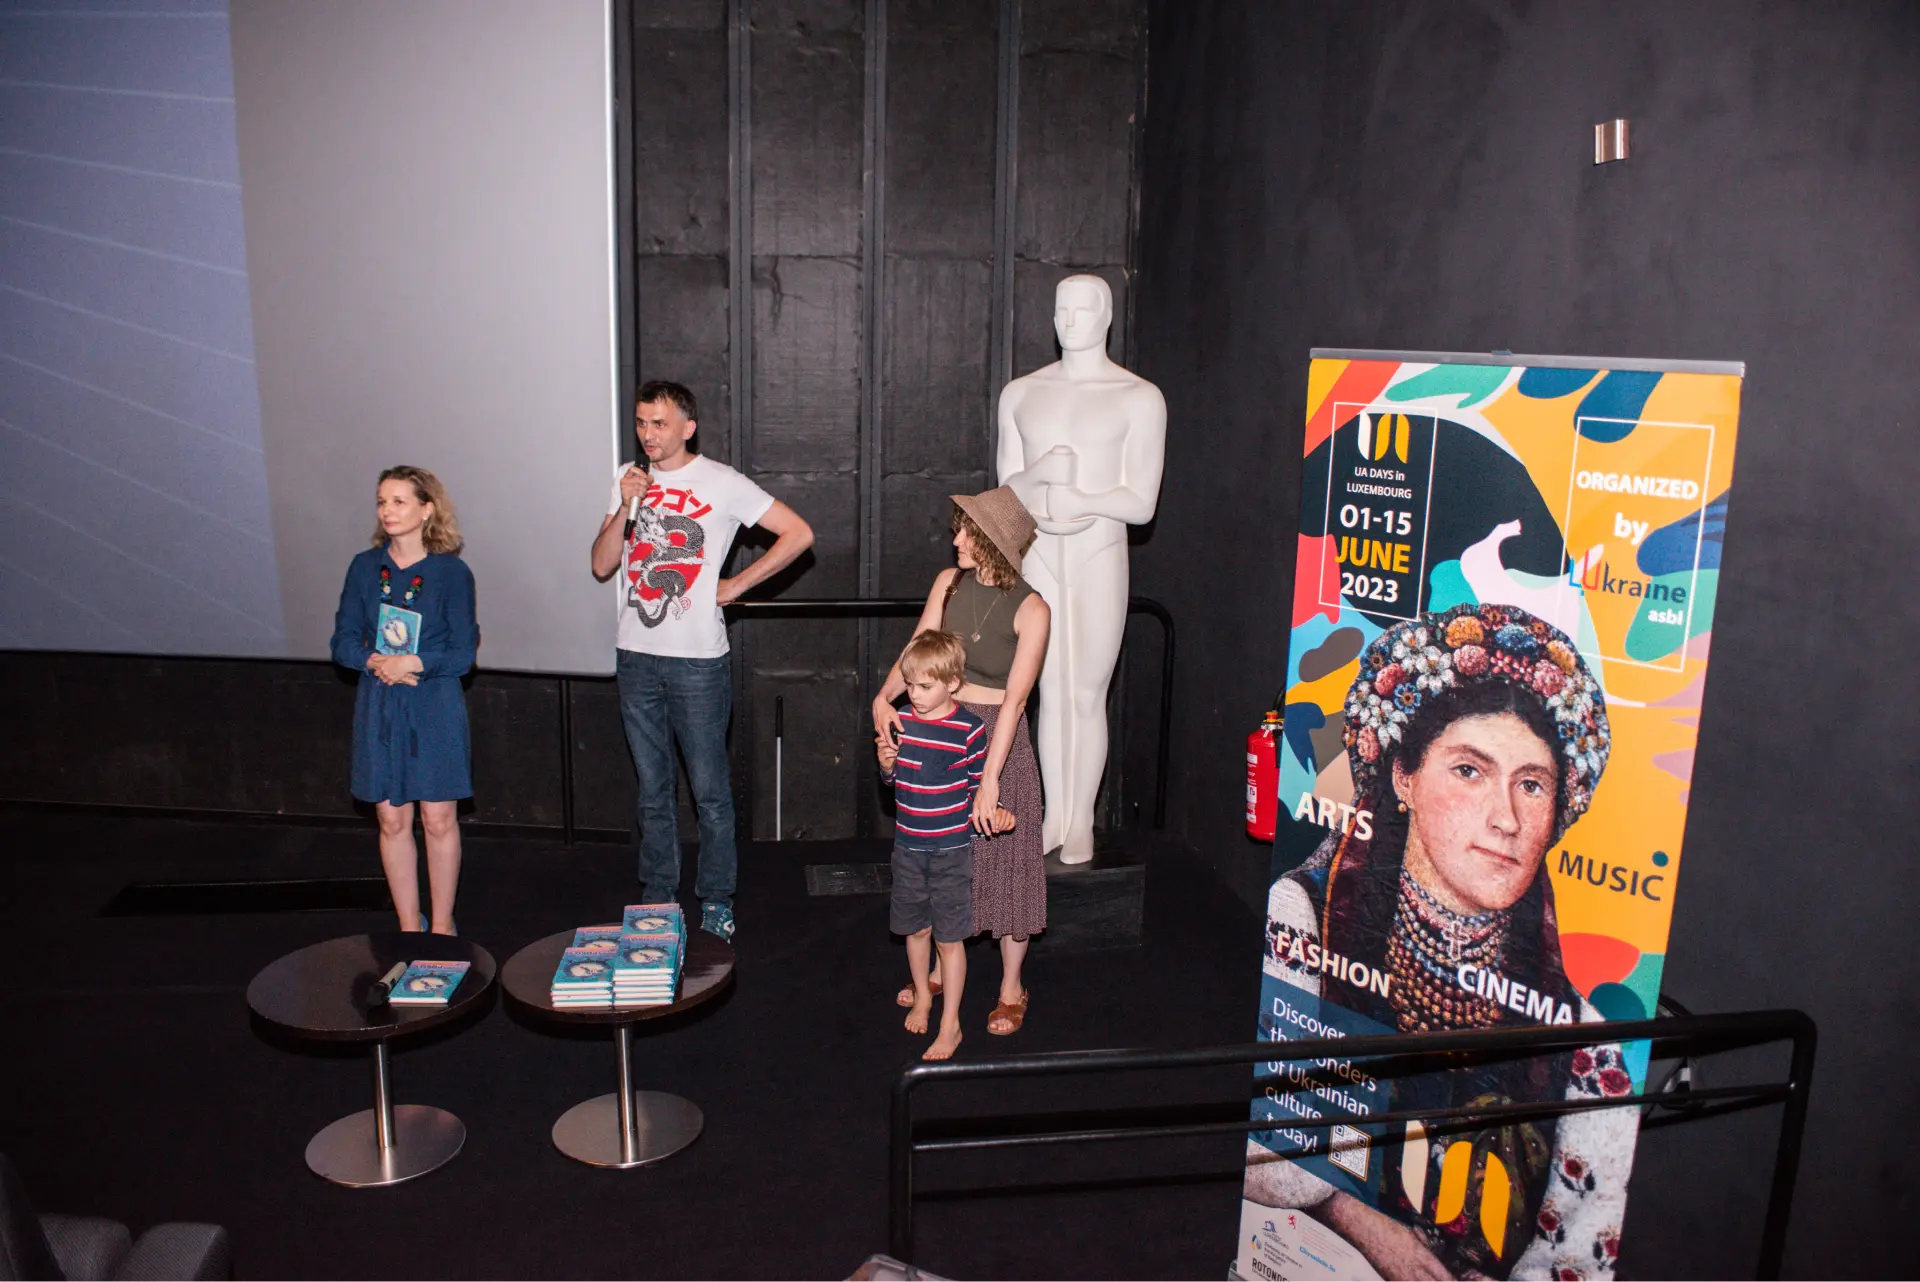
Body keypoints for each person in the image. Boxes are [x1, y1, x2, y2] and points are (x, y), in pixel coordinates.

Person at [1244, 604, 1635, 1281]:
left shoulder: (1585, 1045)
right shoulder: (1309, 918)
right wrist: (1360, 1222)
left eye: (1531, 784)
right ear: (1404, 777)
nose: (1506, 818)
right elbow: (1269, 1157)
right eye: (1469, 771)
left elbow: (1578, 1253)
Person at [590, 381, 814, 941]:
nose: (648, 434)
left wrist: (736, 584)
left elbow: (798, 534)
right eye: (641, 423)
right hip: (636, 656)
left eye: (659, 423)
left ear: (688, 427)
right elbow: (601, 564)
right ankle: (658, 899)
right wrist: (623, 505)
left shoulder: (721, 481)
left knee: (710, 792)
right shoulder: (628, 478)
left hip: (696, 663)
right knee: (652, 791)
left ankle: (716, 899)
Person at [872, 487, 1050, 1036]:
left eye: (968, 532)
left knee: (1010, 862)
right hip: (940, 723)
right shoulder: (948, 584)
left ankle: (1011, 988)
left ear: (993, 542)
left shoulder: (1033, 609)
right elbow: (917, 650)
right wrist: (884, 697)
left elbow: (1016, 701)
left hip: (1000, 736)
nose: (957, 539)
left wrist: (990, 778)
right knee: (945, 856)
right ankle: (941, 970)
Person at [329, 466, 478, 936]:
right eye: (382, 501)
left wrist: (414, 662)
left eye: (399, 501)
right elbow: (342, 642)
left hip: (433, 702)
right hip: (381, 702)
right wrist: (375, 661)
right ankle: (409, 928)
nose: (387, 511)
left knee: (438, 819)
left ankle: (442, 927)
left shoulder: (451, 573)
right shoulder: (364, 567)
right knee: (391, 820)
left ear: (427, 508)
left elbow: (463, 653)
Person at [874, 630, 994, 1061]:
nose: (914, 695)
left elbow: (979, 789)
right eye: (909, 685)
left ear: (953, 682)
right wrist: (886, 766)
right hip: (908, 846)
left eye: (925, 686)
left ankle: (950, 1024)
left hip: (951, 851)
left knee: (950, 938)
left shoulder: (970, 730)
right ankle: (924, 996)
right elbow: (893, 780)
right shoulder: (902, 721)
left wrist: (996, 813)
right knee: (915, 929)